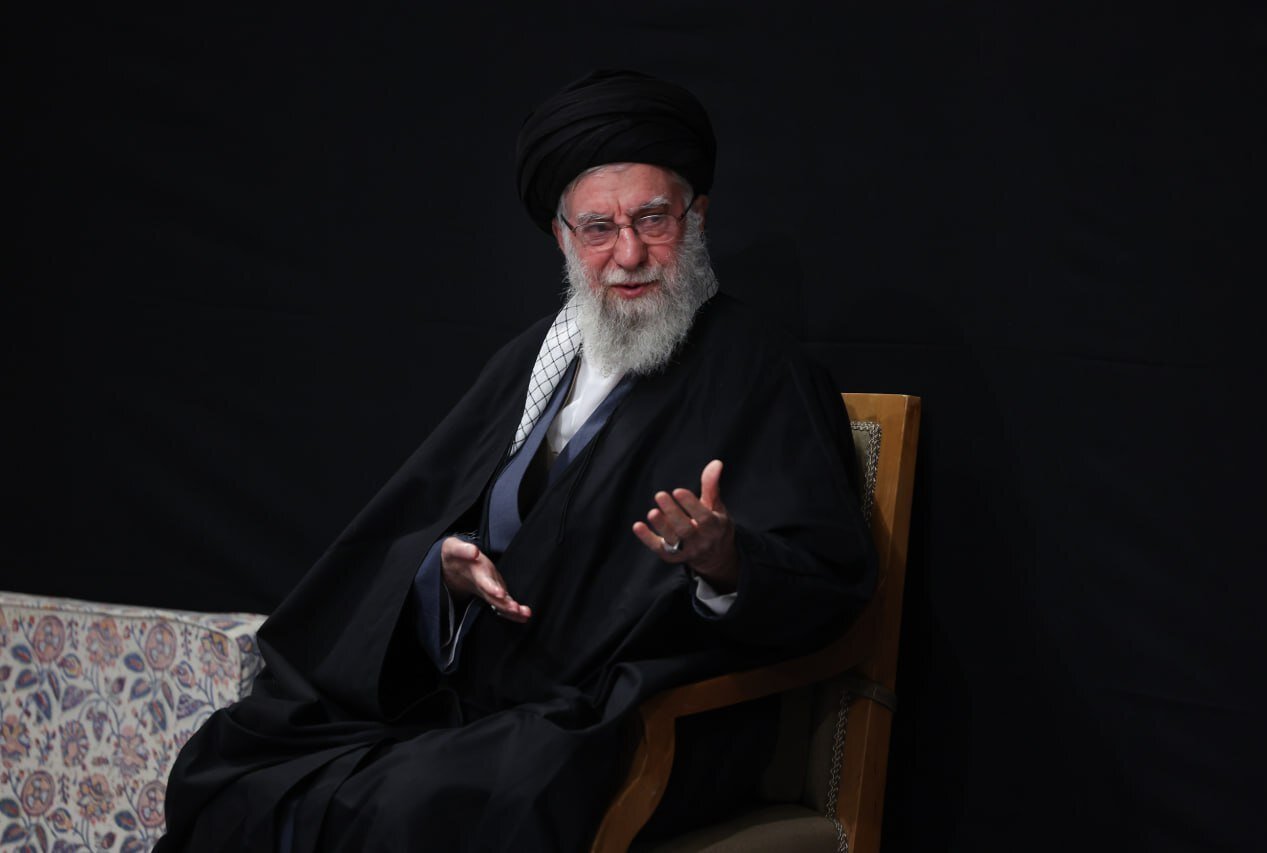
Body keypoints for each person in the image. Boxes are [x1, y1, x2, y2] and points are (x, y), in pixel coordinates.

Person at [157, 69, 875, 852]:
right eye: (598, 228)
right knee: (234, 763)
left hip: (624, 723)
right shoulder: (533, 359)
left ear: (696, 217)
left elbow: (830, 585)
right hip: (482, 706)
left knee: (414, 805)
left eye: (652, 219)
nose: (629, 253)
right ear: (564, 239)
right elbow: (432, 514)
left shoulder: (762, 371)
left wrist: (726, 561)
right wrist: (442, 573)